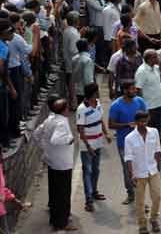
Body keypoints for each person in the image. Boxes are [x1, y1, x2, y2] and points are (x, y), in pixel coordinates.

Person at [35, 97, 77, 232]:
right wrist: (69, 139)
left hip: (52, 161)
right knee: (63, 194)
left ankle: (55, 219)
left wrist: (45, 148)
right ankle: (62, 222)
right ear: (64, 110)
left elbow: (36, 134)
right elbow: (56, 139)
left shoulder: (50, 119)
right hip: (62, 163)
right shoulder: (61, 122)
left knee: (54, 192)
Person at [110, 80, 149, 205]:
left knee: (141, 169)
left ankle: (140, 198)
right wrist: (127, 125)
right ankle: (131, 193)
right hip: (124, 144)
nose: (135, 91)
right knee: (128, 170)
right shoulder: (116, 105)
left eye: (135, 88)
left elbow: (147, 117)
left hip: (141, 142)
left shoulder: (140, 102)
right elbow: (111, 124)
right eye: (132, 89)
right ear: (125, 90)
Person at [125, 109, 161, 234]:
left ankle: (153, 219)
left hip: (153, 171)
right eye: (140, 122)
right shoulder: (129, 138)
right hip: (138, 173)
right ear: (136, 122)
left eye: (145, 121)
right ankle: (142, 224)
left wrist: (158, 166)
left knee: (157, 197)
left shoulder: (154, 132)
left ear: (148, 120)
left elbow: (158, 150)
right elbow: (128, 158)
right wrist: (132, 175)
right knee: (140, 201)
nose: (143, 124)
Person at [75, 82, 111, 212]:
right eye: (97, 91)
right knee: (87, 171)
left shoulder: (98, 104)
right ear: (93, 93)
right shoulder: (81, 109)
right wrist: (88, 146)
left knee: (96, 169)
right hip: (87, 146)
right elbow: (80, 129)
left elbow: (100, 120)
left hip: (98, 142)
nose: (99, 93)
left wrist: (106, 134)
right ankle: (88, 199)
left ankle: (94, 191)